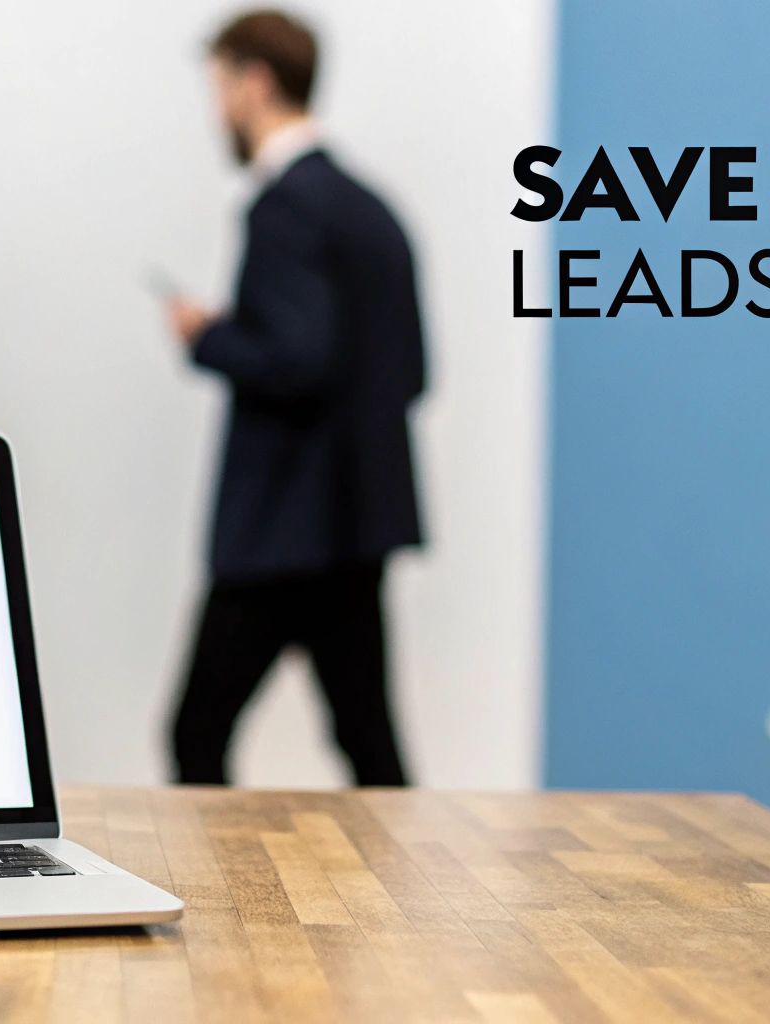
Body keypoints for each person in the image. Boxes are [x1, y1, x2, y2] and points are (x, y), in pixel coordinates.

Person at [163, 10, 426, 786]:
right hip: (356, 524)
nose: (218, 110)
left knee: (195, 732)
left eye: (220, 86)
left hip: (281, 529)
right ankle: (404, 910)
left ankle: (222, 905)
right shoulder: (373, 211)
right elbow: (412, 368)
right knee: (370, 746)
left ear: (255, 82)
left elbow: (298, 357)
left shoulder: (285, 206)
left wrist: (208, 338)